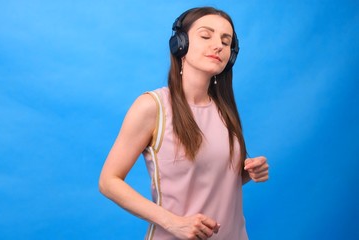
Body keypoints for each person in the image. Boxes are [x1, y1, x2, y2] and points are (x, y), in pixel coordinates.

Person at [99, 6, 269, 240]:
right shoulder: (152, 106)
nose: (218, 45)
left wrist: (249, 172)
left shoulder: (224, 109)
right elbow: (109, 181)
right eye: (206, 35)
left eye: (226, 41)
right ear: (180, 43)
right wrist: (175, 223)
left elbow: (213, 181)